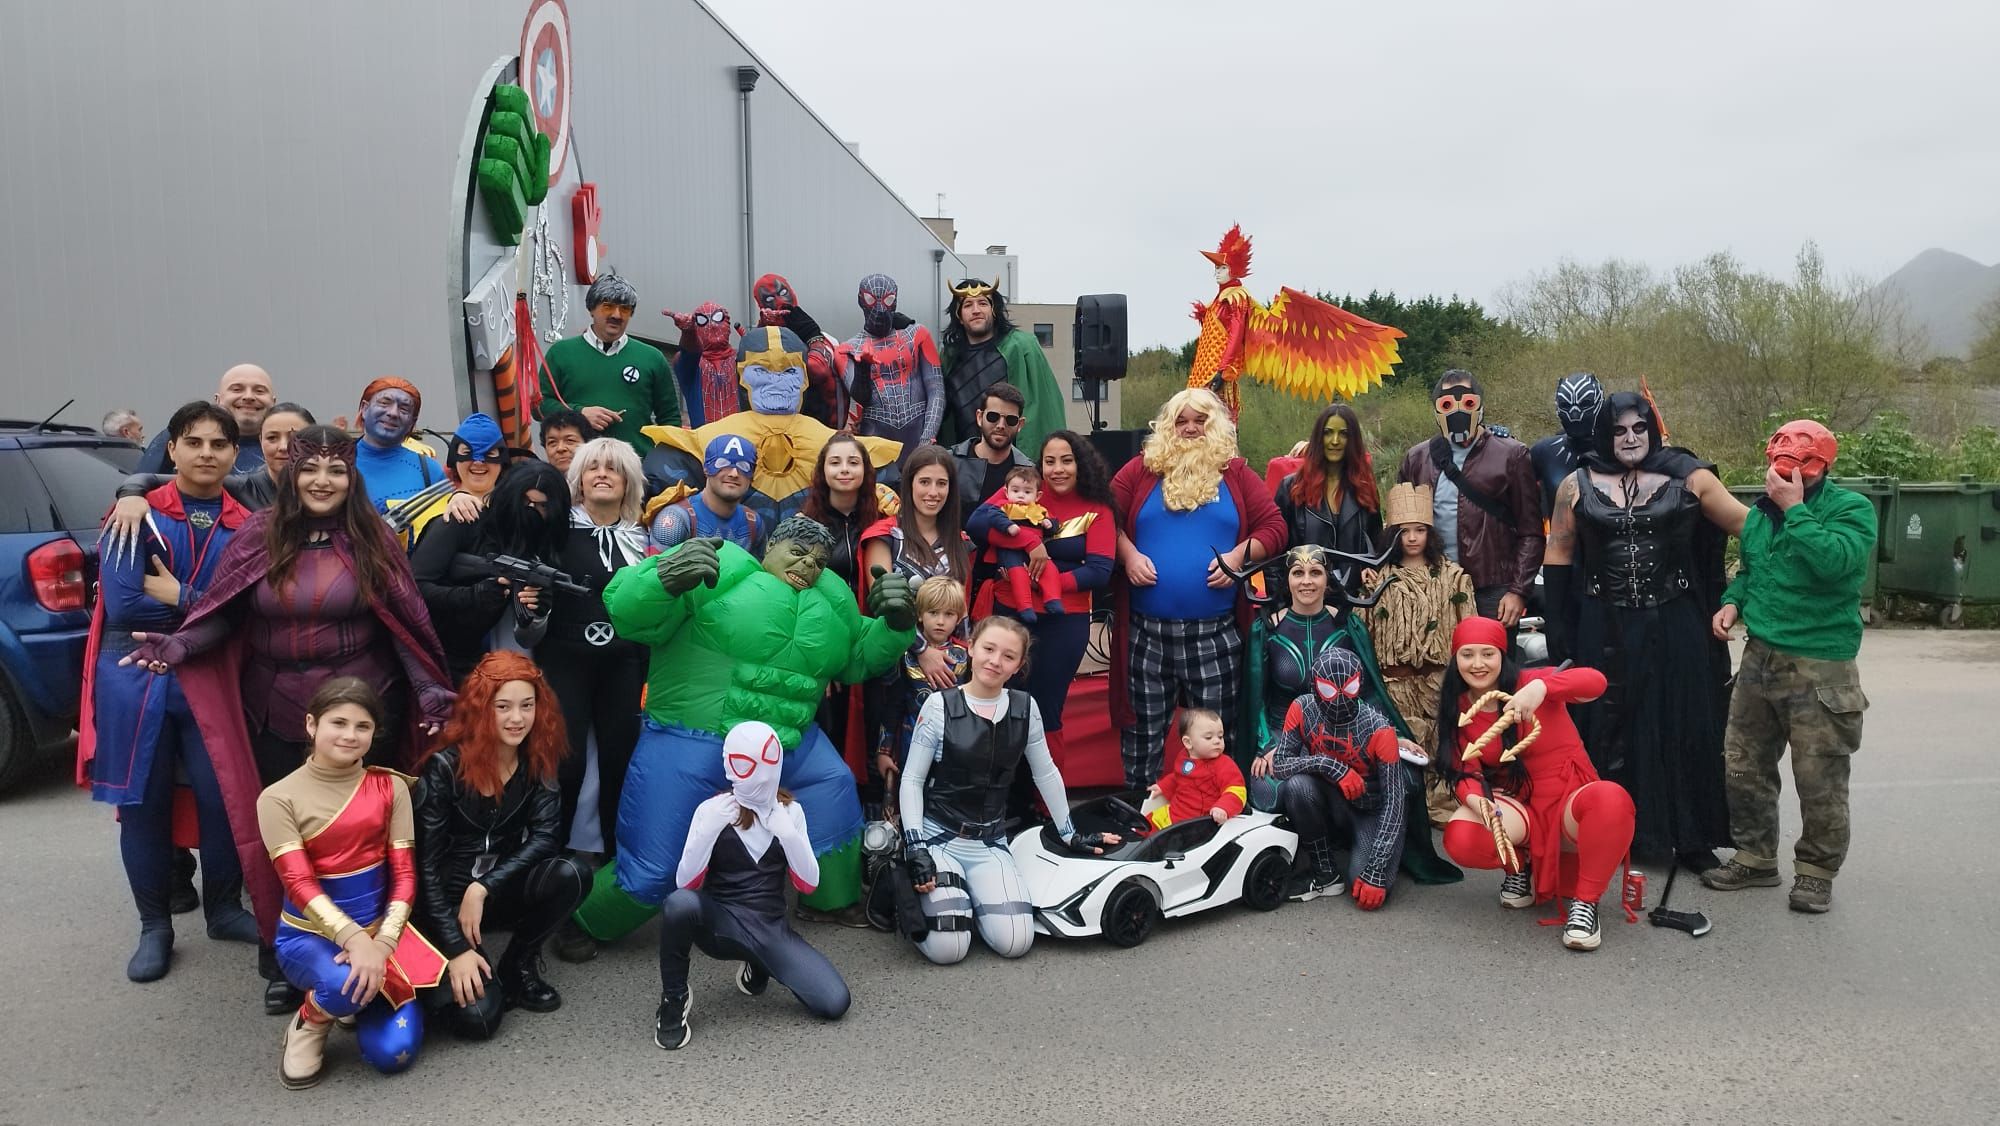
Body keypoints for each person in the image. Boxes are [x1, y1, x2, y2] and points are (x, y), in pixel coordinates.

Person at [121, 424, 455, 1011]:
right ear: (292, 475)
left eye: (336, 470)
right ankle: (284, 955)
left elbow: (404, 622)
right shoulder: (258, 535)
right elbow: (223, 611)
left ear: (351, 478)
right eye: (311, 469)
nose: (322, 481)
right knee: (285, 840)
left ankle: (380, 948)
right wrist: (180, 646)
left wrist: (429, 688)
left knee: (367, 840)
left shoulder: (373, 538)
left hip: (360, 706)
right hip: (275, 710)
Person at [569, 517, 916, 945]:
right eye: (797, 552)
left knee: (832, 786)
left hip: (788, 743)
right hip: (693, 736)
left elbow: (858, 658)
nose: (807, 565)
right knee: (654, 868)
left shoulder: (833, 598)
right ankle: (588, 920)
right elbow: (627, 613)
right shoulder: (721, 565)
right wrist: (661, 577)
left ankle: (830, 898)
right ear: (770, 545)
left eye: (818, 560)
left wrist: (896, 625)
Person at [79, 402, 260, 982]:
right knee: (144, 805)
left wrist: (182, 595)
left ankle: (224, 909)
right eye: (194, 442)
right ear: (172, 449)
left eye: (219, 444)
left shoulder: (246, 522)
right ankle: (154, 926)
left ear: (235, 454)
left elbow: (248, 606)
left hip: (211, 671)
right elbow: (129, 601)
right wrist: (209, 601)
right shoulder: (136, 513)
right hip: (133, 671)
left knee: (225, 801)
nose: (207, 453)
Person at [1545, 391, 1746, 874]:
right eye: (1618, 430)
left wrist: (1741, 595)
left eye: (1639, 427)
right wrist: (1561, 639)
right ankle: (1609, 831)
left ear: (1653, 428)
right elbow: (1558, 556)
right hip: (1603, 621)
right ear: (1603, 434)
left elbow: (1752, 529)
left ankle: (1691, 837)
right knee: (1608, 725)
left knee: (1681, 719)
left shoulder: (1692, 477)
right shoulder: (1575, 485)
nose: (1630, 438)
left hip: (1674, 620)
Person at [1701, 420, 1875, 914]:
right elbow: (1752, 571)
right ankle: (1755, 858)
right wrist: (1733, 603)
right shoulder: (1760, 513)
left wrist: (1794, 509)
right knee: (1743, 763)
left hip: (1821, 662)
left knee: (1819, 774)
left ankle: (1817, 872)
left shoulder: (1851, 509)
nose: (1784, 470)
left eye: (1799, 463)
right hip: (1762, 654)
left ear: (1819, 465)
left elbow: (1836, 563)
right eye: (1779, 459)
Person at [258, 678, 445, 1088]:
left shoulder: (390, 786)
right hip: (311, 937)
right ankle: (311, 1021)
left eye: (362, 726)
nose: (350, 735)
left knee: (393, 1054)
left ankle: (351, 996)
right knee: (344, 985)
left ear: (374, 734)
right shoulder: (277, 798)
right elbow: (299, 884)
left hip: (385, 936)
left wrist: (383, 943)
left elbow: (405, 875)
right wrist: (354, 941)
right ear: (311, 725)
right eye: (338, 722)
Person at [900, 616, 1117, 964]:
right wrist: (915, 847)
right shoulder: (939, 705)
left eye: (1008, 656)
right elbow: (912, 780)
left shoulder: (1025, 707)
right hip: (939, 837)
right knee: (948, 950)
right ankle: (928, 897)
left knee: (1015, 942)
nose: (995, 661)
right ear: (971, 648)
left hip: (989, 842)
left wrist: (1070, 833)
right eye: (988, 649)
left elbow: (1045, 772)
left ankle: (964, 899)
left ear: (1018, 665)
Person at [1110, 387, 1286, 785]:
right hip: (1146, 632)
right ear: (1167, 427)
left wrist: (1239, 556)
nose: (1190, 429)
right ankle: (1143, 815)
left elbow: (1275, 528)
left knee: (1214, 733)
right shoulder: (1141, 471)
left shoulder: (1237, 473)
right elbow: (1103, 516)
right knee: (1142, 732)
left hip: (1215, 633)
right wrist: (1129, 555)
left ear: (1216, 425)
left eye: (1199, 421)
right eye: (1181, 421)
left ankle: (1212, 813)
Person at [414, 652, 589, 1040]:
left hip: (492, 892)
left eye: (527, 706)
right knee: (479, 1020)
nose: (517, 718)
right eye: (503, 707)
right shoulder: (445, 767)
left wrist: (484, 886)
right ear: (480, 710)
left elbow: (546, 837)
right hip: (442, 903)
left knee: (573, 874)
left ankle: (518, 965)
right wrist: (457, 948)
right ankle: (430, 979)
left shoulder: (537, 757)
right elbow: (422, 868)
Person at [1438, 617, 1634, 951]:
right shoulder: (1458, 707)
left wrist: (1543, 688)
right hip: (1520, 802)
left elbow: (1596, 682)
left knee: (1612, 800)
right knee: (1463, 836)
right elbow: (1464, 773)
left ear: (1503, 654)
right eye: (1467, 654)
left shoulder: (1532, 682)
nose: (1478, 664)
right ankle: (1521, 867)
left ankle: (1586, 905)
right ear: (1455, 659)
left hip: (1568, 796)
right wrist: (1478, 804)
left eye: (1488, 654)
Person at [654, 722, 851, 1051]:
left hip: (770, 928)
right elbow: (685, 883)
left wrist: (789, 836)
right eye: (739, 763)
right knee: (679, 904)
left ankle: (759, 964)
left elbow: (808, 884)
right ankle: (674, 997)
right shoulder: (712, 810)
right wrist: (707, 833)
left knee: (834, 1002)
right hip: (721, 923)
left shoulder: (791, 812)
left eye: (756, 764)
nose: (751, 776)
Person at [640, 326, 900, 521]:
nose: (775, 381)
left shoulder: (827, 441)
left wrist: (876, 489)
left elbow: (879, 466)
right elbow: (668, 465)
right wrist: (674, 499)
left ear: (805, 380)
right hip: (734, 548)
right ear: (742, 376)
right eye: (762, 370)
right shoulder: (713, 436)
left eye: (788, 372)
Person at [1361, 483, 1475, 823]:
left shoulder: (1452, 578)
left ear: (1431, 533)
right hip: (1394, 682)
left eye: (1420, 530)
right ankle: (1405, 808)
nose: (1412, 538)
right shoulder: (1379, 579)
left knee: (1441, 739)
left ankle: (1440, 802)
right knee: (1405, 744)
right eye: (1404, 531)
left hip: (1437, 679)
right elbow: (1364, 630)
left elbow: (1467, 627)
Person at [1263, 647, 1407, 908]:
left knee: (1366, 883)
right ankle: (1325, 873)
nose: (1339, 699)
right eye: (1329, 690)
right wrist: (1330, 766)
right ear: (1315, 687)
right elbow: (1281, 765)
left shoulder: (1380, 729)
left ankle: (1370, 852)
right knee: (1297, 787)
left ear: (1360, 684)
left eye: (1348, 688)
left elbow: (1394, 803)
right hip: (1330, 798)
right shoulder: (1302, 707)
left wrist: (1376, 867)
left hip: (1369, 808)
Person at [1396, 370, 1541, 625]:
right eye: (1447, 404)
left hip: (1491, 587)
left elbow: (1531, 531)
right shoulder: (1417, 459)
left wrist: (1518, 591)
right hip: (1432, 584)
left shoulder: (1512, 455)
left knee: (1490, 661)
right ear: (1437, 409)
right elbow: (1400, 525)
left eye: (1468, 402)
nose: (1458, 411)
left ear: (1480, 405)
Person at [411, 459, 571, 684]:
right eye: (525, 502)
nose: (531, 512)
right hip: (427, 657)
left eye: (542, 506)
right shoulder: (463, 520)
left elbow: (524, 637)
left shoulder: (542, 548)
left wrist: (538, 613)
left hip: (481, 667)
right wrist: (472, 596)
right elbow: (414, 589)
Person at [1001, 429, 1115, 739]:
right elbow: (980, 523)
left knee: (1046, 711)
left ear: (1081, 463)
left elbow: (1099, 571)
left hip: (1065, 621)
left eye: (1066, 461)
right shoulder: (1025, 493)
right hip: (1011, 616)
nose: (1057, 469)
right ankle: (1003, 788)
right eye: (1049, 462)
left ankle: (1044, 788)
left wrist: (1043, 582)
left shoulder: (1098, 508)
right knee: (1003, 706)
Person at [103, 403, 315, 533]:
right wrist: (130, 496)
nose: (283, 447)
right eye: (272, 437)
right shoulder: (243, 488)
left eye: (296, 438)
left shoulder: (336, 490)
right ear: (260, 441)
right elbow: (150, 479)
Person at [536, 273, 681, 454]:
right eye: (607, 307)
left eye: (625, 309)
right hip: (577, 466)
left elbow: (670, 419)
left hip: (637, 467)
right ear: (591, 309)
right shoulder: (561, 353)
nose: (616, 315)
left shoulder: (652, 357)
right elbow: (538, 406)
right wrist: (578, 414)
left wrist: (663, 463)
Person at [876, 576, 970, 813]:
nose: (940, 621)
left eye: (949, 614)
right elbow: (893, 706)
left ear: (958, 617)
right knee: (911, 796)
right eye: (933, 612)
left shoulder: (967, 656)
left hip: (956, 741)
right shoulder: (905, 655)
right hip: (912, 736)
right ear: (919, 615)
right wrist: (883, 751)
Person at [939, 280, 1065, 454]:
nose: (976, 310)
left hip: (1012, 464)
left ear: (994, 310)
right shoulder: (948, 357)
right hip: (964, 462)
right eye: (968, 305)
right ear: (959, 315)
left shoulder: (1023, 347)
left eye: (983, 303)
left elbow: (1046, 407)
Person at [1275, 403, 1382, 598]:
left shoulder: (1366, 488)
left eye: (1343, 434)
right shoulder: (1291, 488)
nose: (1335, 441)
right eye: (1328, 432)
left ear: (1353, 440)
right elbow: (1274, 555)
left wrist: (1370, 568)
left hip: (1353, 603)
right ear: (1318, 437)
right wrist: (1278, 606)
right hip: (1302, 603)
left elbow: (1376, 544)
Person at [840, 273, 943, 462]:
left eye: (888, 300)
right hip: (875, 440)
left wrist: (927, 437)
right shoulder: (848, 349)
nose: (880, 308)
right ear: (861, 301)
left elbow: (936, 389)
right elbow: (861, 397)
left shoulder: (918, 335)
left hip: (919, 432)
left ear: (895, 301)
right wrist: (863, 369)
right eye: (871, 299)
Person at [395, 412, 513, 548]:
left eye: (489, 454)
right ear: (454, 457)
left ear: (503, 459)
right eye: (467, 452)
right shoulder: (424, 509)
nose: (478, 462)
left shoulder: (520, 508)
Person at [965, 465, 1065, 622]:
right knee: (1018, 574)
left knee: (1050, 570)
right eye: (1015, 491)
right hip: (1009, 550)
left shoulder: (1039, 509)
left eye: (1027, 492)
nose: (1020, 496)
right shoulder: (1004, 506)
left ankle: (1053, 599)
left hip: (1036, 552)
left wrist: (1048, 524)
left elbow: (1054, 523)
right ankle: (1025, 607)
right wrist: (1007, 526)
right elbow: (993, 515)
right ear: (1006, 491)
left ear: (1037, 495)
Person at [136, 363, 275, 474]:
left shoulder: (290, 441)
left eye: (259, 391)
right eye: (237, 389)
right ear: (218, 400)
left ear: (273, 401)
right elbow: (141, 484)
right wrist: (131, 494)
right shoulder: (182, 433)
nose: (248, 397)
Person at [750, 272, 843, 428]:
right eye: (770, 299)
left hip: (825, 431)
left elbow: (821, 373)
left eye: (783, 293)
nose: (780, 302)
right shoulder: (761, 348)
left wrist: (812, 336)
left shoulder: (827, 340)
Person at [646, 434, 765, 556]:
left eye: (743, 466)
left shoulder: (753, 522)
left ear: (752, 475)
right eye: (723, 463)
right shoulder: (675, 518)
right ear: (706, 468)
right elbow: (655, 572)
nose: (734, 473)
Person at [349, 377, 445, 510]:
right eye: (384, 403)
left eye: (404, 409)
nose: (393, 413)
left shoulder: (429, 470)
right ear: (364, 409)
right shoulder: (335, 460)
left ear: (412, 422)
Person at [1145, 709, 1245, 830]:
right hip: (1176, 813)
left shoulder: (1224, 764)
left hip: (1200, 822)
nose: (1217, 741)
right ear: (1188, 743)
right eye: (1209, 737)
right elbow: (1178, 777)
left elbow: (1237, 791)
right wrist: (1163, 786)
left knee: (1167, 839)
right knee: (1147, 823)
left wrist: (1223, 807)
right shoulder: (1183, 757)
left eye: (1220, 736)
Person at [946, 380, 1035, 512]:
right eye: (993, 417)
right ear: (979, 417)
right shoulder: (949, 462)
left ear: (1020, 424)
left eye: (1010, 420)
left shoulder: (1030, 472)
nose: (1001, 425)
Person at [1529, 372, 1605, 515]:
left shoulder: (1619, 448)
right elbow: (1516, 496)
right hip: (1560, 534)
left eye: (1585, 404)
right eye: (1566, 405)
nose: (1575, 413)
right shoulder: (1543, 452)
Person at [666, 300, 742, 429]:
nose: (712, 325)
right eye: (702, 321)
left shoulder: (742, 359)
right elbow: (689, 355)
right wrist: (688, 333)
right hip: (704, 441)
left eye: (717, 318)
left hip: (743, 440)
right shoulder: (691, 365)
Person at [539, 408, 594, 476]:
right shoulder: (538, 483)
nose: (560, 448)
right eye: (552, 442)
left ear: (587, 443)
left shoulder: (601, 481)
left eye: (570, 440)